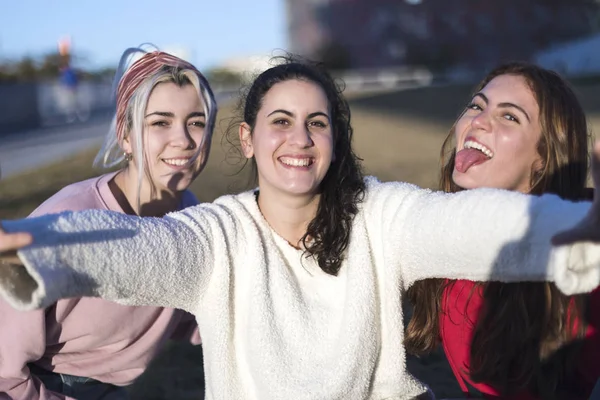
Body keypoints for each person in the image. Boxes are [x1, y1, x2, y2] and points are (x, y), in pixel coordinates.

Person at [1, 57, 600, 400]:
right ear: (248, 138)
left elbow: (467, 223)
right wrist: (40, 248)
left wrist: (573, 231)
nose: (299, 140)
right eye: (280, 121)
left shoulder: (381, 214)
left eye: (318, 123)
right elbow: (141, 249)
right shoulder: (216, 234)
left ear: (336, 143)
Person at [0, 47, 217, 400]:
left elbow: (188, 312)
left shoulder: (189, 216)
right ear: (126, 135)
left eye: (196, 121)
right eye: (160, 122)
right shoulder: (68, 219)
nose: (184, 140)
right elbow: (4, 372)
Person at [405, 62, 599, 399]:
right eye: (477, 106)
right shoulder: (435, 232)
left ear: (543, 156)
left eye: (509, 116)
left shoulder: (583, 247)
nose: (477, 121)